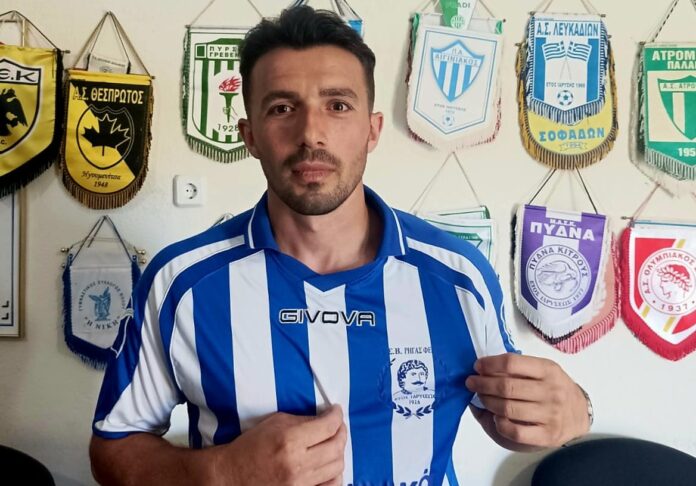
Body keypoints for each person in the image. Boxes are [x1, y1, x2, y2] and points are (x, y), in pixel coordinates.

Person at [89, 6, 592, 486]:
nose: (311, 133)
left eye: (338, 105)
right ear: (250, 136)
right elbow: (112, 450)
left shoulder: (458, 275)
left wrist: (572, 411)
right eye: (282, 108)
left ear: (372, 130)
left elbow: (508, 419)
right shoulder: (181, 283)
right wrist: (222, 475)